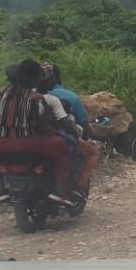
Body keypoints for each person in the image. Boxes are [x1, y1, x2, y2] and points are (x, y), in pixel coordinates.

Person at [0, 59, 75, 206]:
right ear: (32, 79)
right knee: (62, 148)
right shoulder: (36, 99)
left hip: (1, 144)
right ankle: (60, 191)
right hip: (32, 143)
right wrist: (56, 131)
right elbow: (43, 128)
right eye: (39, 76)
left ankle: (0, 188)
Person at [38, 63, 98, 200]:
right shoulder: (68, 97)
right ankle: (76, 187)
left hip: (24, 141)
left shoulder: (24, 95)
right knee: (90, 152)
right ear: (56, 78)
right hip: (53, 139)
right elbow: (76, 125)